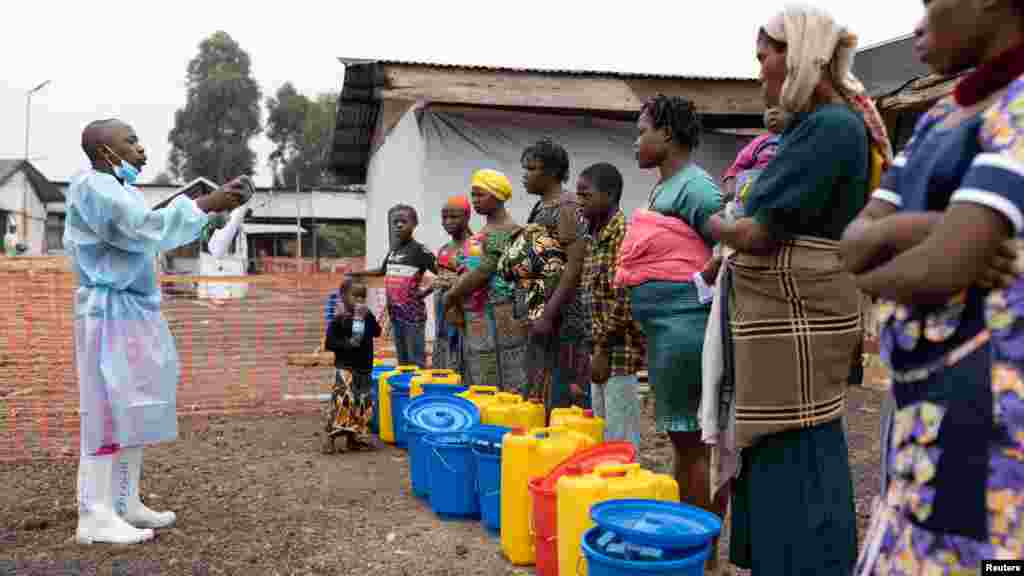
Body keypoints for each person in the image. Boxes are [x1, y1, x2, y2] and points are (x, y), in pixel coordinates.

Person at [705, 6, 893, 573]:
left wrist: (710, 224)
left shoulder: (831, 128)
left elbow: (759, 232)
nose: (760, 71)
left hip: (799, 317)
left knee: (796, 443)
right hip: (794, 319)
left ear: (802, 55)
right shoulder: (820, 126)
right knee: (784, 443)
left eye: (765, 57)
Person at [840, 0, 1024, 570]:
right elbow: (853, 249)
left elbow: (938, 270)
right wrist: (922, 225)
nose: (918, 24)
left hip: (997, 438)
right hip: (925, 424)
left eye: (927, 2)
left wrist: (887, 255)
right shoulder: (940, 118)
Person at [66, 118, 245, 545]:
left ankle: (125, 502)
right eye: (131, 141)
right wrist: (205, 203)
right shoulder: (93, 186)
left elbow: (151, 233)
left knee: (133, 404)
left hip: (134, 309)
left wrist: (209, 217)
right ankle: (95, 513)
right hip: (107, 310)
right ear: (104, 151)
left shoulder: (123, 190)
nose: (141, 149)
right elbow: (144, 228)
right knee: (105, 408)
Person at [616, 94, 722, 520]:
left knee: (693, 442)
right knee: (684, 440)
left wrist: (698, 286)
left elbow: (730, 246)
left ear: (668, 133)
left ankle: (703, 549)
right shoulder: (667, 187)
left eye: (642, 132)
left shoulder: (696, 188)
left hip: (686, 330)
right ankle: (692, 542)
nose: (636, 142)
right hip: (667, 331)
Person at [499, 138, 590, 414]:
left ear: (551, 173)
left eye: (532, 168)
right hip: (542, 309)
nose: (525, 175)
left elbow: (573, 266)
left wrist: (548, 314)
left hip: (563, 315)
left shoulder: (567, 208)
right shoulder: (542, 207)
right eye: (524, 168)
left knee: (561, 384)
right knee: (540, 381)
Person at [577, 162, 645, 450]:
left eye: (585, 195)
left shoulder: (625, 236)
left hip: (618, 353)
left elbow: (625, 299)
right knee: (602, 435)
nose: (579, 202)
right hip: (599, 352)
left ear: (610, 195)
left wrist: (603, 348)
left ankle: (626, 493)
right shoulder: (593, 237)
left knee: (621, 440)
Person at [444, 169, 526, 392]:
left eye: (480, 194)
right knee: (482, 375)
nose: (475, 200)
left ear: (497, 196)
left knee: (509, 376)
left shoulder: (508, 231)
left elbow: (483, 271)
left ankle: (507, 423)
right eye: (473, 195)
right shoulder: (484, 232)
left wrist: (450, 296)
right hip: (479, 316)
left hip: (501, 313)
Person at [350, 205, 435, 367]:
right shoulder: (393, 251)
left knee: (416, 362)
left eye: (404, 221)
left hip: (413, 316)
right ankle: (406, 391)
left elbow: (443, 273)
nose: (399, 225)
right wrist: (359, 273)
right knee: (402, 363)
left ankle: (418, 391)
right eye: (395, 222)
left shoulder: (420, 251)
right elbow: (382, 270)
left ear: (414, 223)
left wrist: (424, 293)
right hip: (396, 316)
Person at [323, 277, 381, 453]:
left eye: (362, 297)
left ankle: (353, 439)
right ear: (342, 297)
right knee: (342, 405)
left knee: (361, 405)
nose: (359, 300)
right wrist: (348, 343)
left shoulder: (366, 315)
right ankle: (330, 439)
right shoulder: (339, 319)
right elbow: (330, 343)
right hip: (346, 369)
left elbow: (377, 332)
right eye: (355, 296)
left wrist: (368, 318)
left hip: (364, 369)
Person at [433, 195, 472, 373]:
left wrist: (452, 283)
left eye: (454, 217)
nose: (448, 222)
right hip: (442, 309)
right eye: (444, 217)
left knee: (463, 350)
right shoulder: (444, 249)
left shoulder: (474, 247)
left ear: (467, 217)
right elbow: (439, 276)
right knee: (445, 345)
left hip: (463, 310)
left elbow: (475, 279)